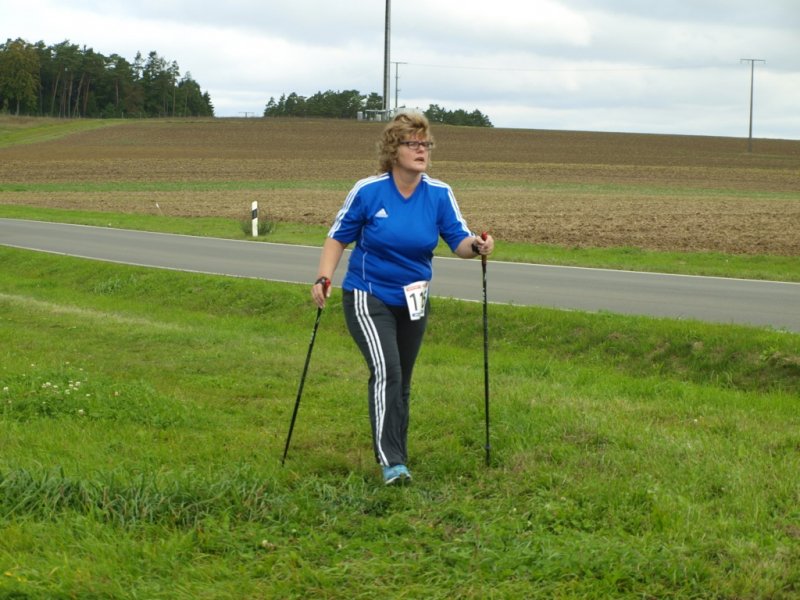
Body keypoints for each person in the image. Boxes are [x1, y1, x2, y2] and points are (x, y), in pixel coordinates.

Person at [311, 111, 494, 485]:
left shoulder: (439, 194)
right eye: (413, 143)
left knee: (402, 380)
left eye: (426, 144)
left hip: (414, 299)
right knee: (387, 373)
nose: (422, 150)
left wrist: (477, 246)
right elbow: (337, 238)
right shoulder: (369, 191)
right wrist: (324, 277)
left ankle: (399, 457)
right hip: (367, 293)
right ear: (394, 150)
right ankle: (391, 462)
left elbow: (458, 241)